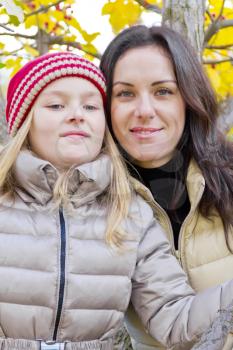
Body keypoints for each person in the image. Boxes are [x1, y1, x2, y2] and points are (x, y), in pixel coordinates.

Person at [0, 51, 233, 350]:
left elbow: (175, 321)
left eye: (90, 106)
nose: (76, 114)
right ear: (25, 124)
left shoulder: (129, 213)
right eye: (56, 105)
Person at [100, 25, 233, 350]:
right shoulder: (89, 202)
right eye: (125, 93)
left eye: (163, 91)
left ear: (189, 99)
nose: (144, 111)